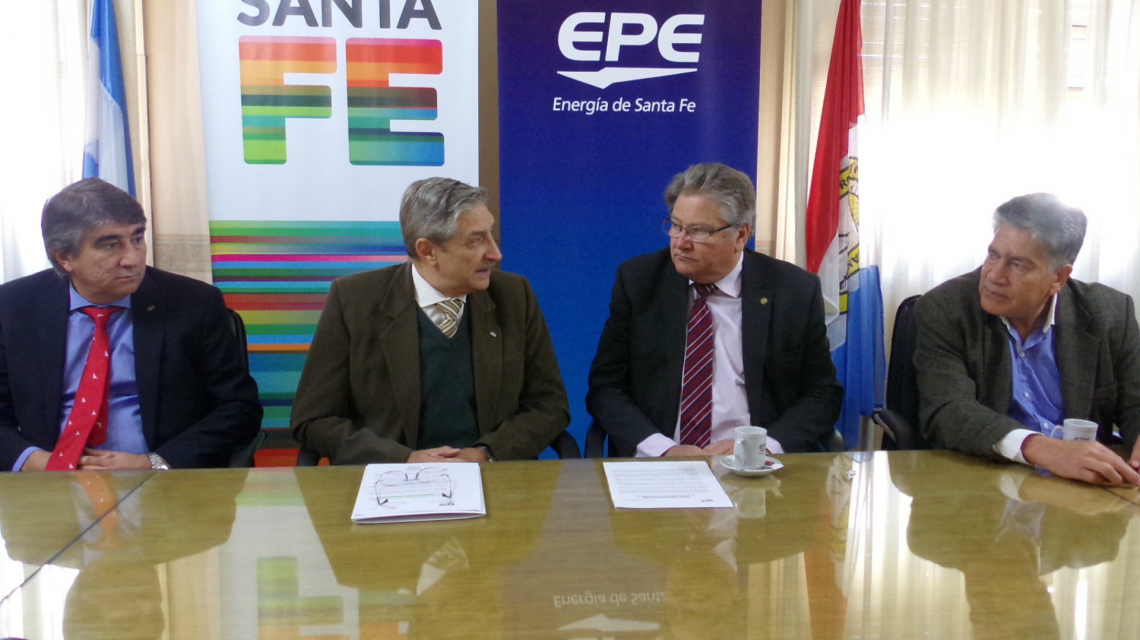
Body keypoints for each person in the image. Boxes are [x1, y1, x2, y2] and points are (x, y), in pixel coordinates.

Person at [290, 177, 570, 464]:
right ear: (427, 251)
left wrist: (486, 453)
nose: (495, 253)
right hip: (390, 479)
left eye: (490, 233)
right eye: (476, 239)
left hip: (495, 476)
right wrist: (405, 460)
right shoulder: (354, 300)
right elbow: (314, 419)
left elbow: (549, 405)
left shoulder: (514, 295)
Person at [0, 178, 262, 472]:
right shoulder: (13, 307)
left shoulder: (194, 303)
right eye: (110, 245)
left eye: (137, 239)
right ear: (65, 258)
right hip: (48, 481)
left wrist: (153, 463)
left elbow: (238, 408)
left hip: (160, 482)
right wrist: (36, 462)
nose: (133, 259)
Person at [587, 162, 843, 457]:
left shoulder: (793, 291)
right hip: (659, 463)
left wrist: (762, 447)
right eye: (676, 226)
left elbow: (822, 394)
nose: (681, 243)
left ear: (740, 235)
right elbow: (606, 387)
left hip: (755, 464)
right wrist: (663, 449)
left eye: (698, 231)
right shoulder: (639, 281)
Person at [915, 193, 1140, 485]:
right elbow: (949, 410)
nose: (994, 275)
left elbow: (1135, 402)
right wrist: (1041, 449)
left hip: (1085, 488)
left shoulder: (1110, 313)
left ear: (1059, 278)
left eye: (1018, 264)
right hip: (982, 481)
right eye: (993, 255)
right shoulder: (946, 308)